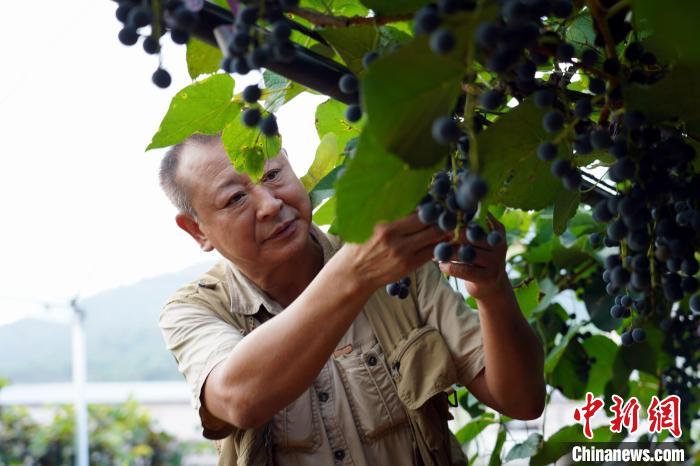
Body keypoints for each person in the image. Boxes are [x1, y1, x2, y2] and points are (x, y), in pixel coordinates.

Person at [157, 133, 545, 466]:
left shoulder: (397, 264)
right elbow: (240, 398)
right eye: (236, 198)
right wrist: (356, 272)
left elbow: (523, 402)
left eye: (273, 175)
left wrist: (492, 290)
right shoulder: (193, 309)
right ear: (196, 230)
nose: (271, 203)